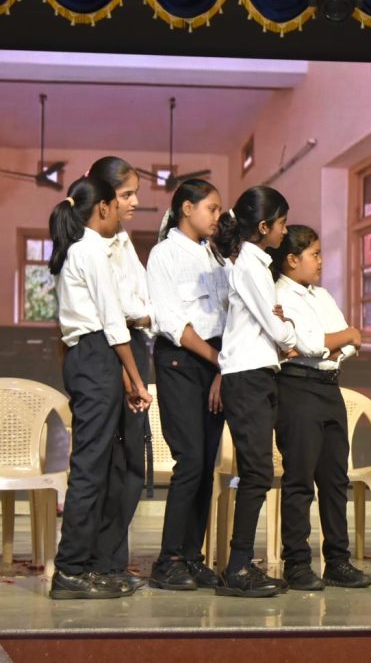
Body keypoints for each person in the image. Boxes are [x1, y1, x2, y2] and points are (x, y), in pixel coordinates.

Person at [48, 176, 152, 599]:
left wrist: (125, 376)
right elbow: (112, 322)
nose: (123, 210)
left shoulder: (81, 249)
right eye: (119, 202)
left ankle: (89, 566)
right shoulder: (89, 250)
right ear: (103, 207)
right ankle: (69, 570)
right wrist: (137, 378)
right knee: (90, 468)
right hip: (95, 355)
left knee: (101, 466)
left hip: (96, 357)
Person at [270, 225, 371, 591]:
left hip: (330, 387)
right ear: (292, 259)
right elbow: (308, 344)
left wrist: (333, 343)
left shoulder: (323, 295)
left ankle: (337, 561)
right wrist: (335, 340)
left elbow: (351, 342)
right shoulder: (279, 294)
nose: (320, 261)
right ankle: (297, 563)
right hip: (296, 387)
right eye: (314, 254)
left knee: (334, 478)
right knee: (299, 479)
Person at [214, 186, 297, 597]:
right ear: (263, 226)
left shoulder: (254, 264)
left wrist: (282, 328)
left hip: (257, 375)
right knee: (257, 473)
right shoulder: (250, 265)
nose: (285, 231)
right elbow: (276, 327)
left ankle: (242, 564)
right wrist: (289, 332)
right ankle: (238, 567)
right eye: (281, 223)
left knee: (258, 472)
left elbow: (271, 322)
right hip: (247, 377)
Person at [146, 179, 229, 591]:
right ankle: (169, 560)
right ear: (186, 208)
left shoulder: (217, 256)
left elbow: (230, 315)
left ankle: (192, 557)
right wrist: (218, 360)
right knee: (191, 459)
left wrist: (222, 369)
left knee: (206, 463)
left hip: (217, 364)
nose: (218, 217)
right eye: (212, 208)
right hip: (181, 360)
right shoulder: (164, 254)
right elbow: (171, 321)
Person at [85, 157, 151, 592]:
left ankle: (112, 559)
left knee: (131, 463)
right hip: (112, 349)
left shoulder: (123, 240)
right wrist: (129, 374)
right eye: (127, 194)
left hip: (135, 346)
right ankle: (97, 561)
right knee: (107, 463)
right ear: (105, 199)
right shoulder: (90, 245)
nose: (135, 202)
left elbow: (143, 299)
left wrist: (142, 315)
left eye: (134, 193)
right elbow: (120, 310)